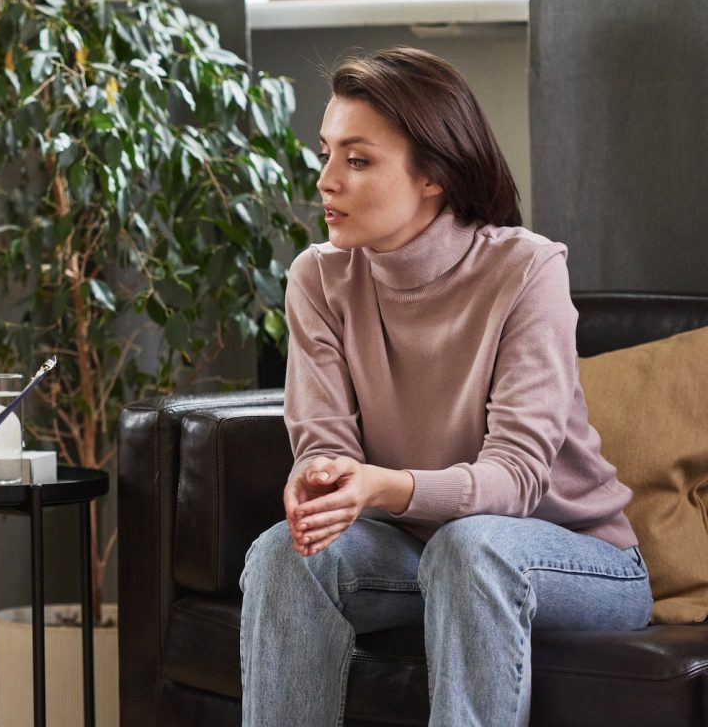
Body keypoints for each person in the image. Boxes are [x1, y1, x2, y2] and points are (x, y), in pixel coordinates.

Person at [237, 47, 651, 726]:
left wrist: (382, 485)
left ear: (433, 175)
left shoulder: (528, 270)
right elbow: (323, 444)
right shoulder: (318, 279)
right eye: (325, 154)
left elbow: (516, 480)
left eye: (358, 159)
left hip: (574, 558)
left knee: (473, 545)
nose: (326, 181)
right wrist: (321, 482)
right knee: (287, 551)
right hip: (420, 555)